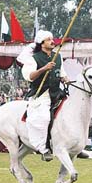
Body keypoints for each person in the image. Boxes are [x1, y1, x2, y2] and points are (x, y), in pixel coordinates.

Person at [21, 29, 69, 162]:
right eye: (49, 40)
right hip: (41, 94)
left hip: (56, 93)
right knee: (44, 118)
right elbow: (29, 76)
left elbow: (62, 72)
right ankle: (44, 148)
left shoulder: (57, 56)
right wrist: (44, 69)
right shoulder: (33, 59)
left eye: (52, 39)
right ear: (42, 43)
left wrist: (66, 79)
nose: (52, 41)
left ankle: (73, 145)